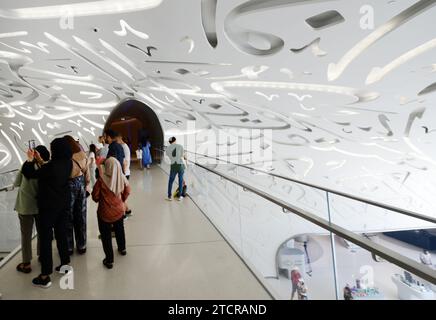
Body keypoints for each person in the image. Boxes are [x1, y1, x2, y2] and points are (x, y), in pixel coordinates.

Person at [22, 137, 72, 288]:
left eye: (52, 148)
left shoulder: (51, 168)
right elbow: (50, 172)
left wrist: (30, 160)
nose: (51, 151)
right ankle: (65, 265)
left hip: (48, 207)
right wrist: (40, 161)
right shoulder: (67, 162)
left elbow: (29, 173)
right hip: (62, 204)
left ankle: (45, 276)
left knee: (45, 239)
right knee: (61, 234)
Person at [14, 145, 50, 274]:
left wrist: (28, 161)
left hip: (25, 205)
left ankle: (26, 263)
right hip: (40, 206)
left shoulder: (26, 166)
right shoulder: (46, 168)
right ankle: (41, 255)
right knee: (41, 233)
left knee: (26, 235)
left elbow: (17, 182)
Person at [92, 157, 130, 269]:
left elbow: (95, 196)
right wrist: (121, 199)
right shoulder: (121, 177)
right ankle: (122, 249)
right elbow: (128, 190)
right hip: (119, 211)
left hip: (104, 213)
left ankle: (109, 260)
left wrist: (100, 199)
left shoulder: (101, 180)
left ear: (107, 167)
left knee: (106, 236)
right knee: (120, 229)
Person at [64, 135, 90, 255]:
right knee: (81, 215)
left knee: (68, 216)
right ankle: (82, 245)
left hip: (68, 187)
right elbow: (87, 175)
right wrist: (86, 185)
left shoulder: (64, 157)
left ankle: (69, 247)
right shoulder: (82, 155)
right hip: (80, 185)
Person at [165, 137, 185, 201]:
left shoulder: (168, 148)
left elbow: (169, 156)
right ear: (175, 140)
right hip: (180, 166)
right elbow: (183, 156)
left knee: (171, 181)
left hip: (173, 167)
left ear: (170, 142)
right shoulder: (180, 146)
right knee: (180, 181)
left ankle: (169, 196)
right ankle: (180, 196)